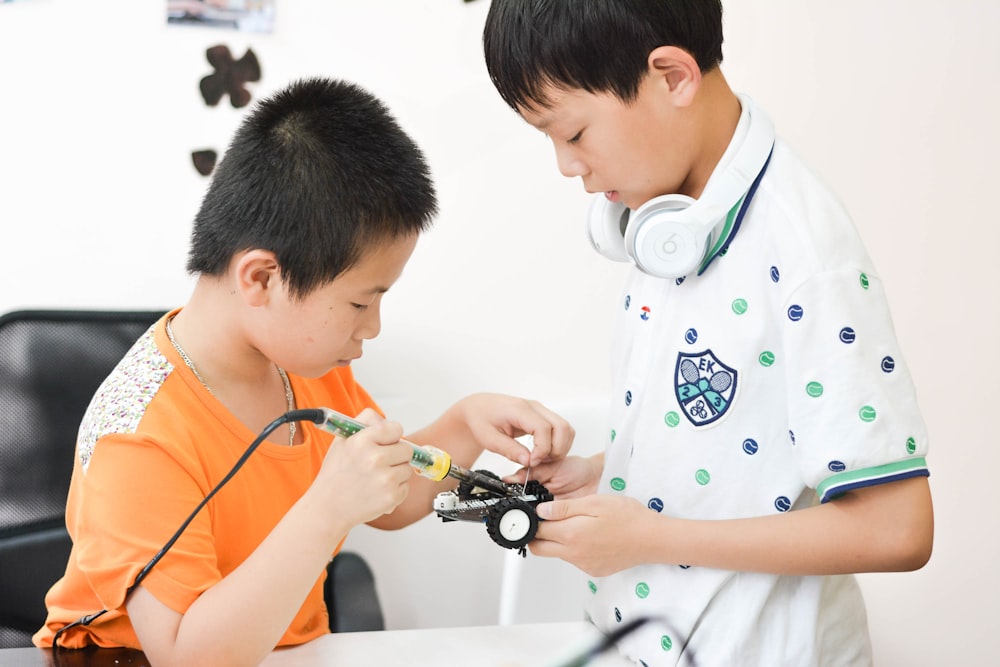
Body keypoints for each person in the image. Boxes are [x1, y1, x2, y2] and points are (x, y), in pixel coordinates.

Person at [33, 76, 574, 666]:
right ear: (261, 278)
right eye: (361, 303)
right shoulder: (137, 436)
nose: (372, 329)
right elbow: (188, 657)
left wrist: (466, 424)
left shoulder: (304, 366)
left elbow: (387, 500)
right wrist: (325, 511)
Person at [482, 2, 933, 665]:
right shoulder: (668, 225)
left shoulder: (807, 257)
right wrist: (601, 476)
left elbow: (898, 529)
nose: (565, 166)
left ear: (671, 76)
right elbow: (737, 444)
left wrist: (652, 537)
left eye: (573, 132)